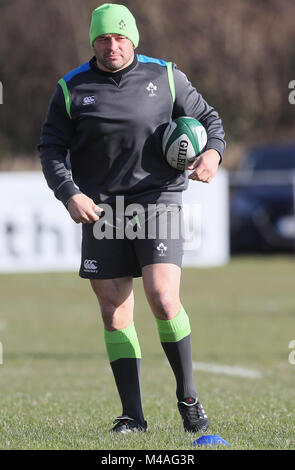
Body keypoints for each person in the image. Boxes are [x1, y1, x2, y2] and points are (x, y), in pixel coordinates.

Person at [38, 3, 226, 434]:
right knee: (115, 312)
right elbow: (50, 149)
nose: (112, 46)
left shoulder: (166, 75)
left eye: (120, 37)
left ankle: (190, 400)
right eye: (103, 38)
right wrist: (70, 194)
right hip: (103, 206)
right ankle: (133, 417)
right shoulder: (70, 88)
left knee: (162, 297)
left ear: (134, 39)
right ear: (93, 42)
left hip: (158, 198)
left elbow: (210, 121)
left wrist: (212, 154)